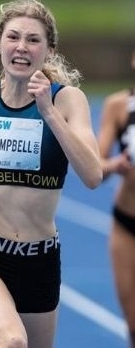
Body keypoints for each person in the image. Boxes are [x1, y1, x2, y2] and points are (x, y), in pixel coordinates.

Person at [0, 1, 102, 347]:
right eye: (13, 37)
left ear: (49, 49)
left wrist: (49, 113)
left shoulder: (68, 101)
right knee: (12, 341)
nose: (22, 47)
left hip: (40, 263)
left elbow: (92, 176)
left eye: (33, 40)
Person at [97, 49, 135, 346]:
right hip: (127, 223)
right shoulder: (117, 106)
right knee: (133, 318)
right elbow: (96, 167)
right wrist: (115, 165)